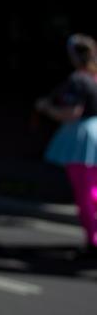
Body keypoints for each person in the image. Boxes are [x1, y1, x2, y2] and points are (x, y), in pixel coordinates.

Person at [37, 33, 97, 257]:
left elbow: (72, 112)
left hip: (83, 136)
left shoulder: (78, 80)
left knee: (85, 192)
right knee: (93, 187)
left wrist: (46, 108)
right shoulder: (94, 78)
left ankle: (93, 238)